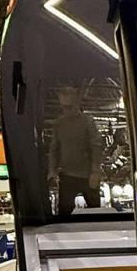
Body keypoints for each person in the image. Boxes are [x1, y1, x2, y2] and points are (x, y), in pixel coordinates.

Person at [49, 88, 104, 217]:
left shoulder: (87, 122)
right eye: (64, 107)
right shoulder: (59, 124)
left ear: (77, 103)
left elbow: (96, 146)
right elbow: (54, 149)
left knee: (95, 213)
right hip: (67, 175)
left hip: (87, 175)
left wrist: (95, 171)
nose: (67, 110)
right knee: (65, 213)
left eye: (69, 107)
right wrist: (52, 170)